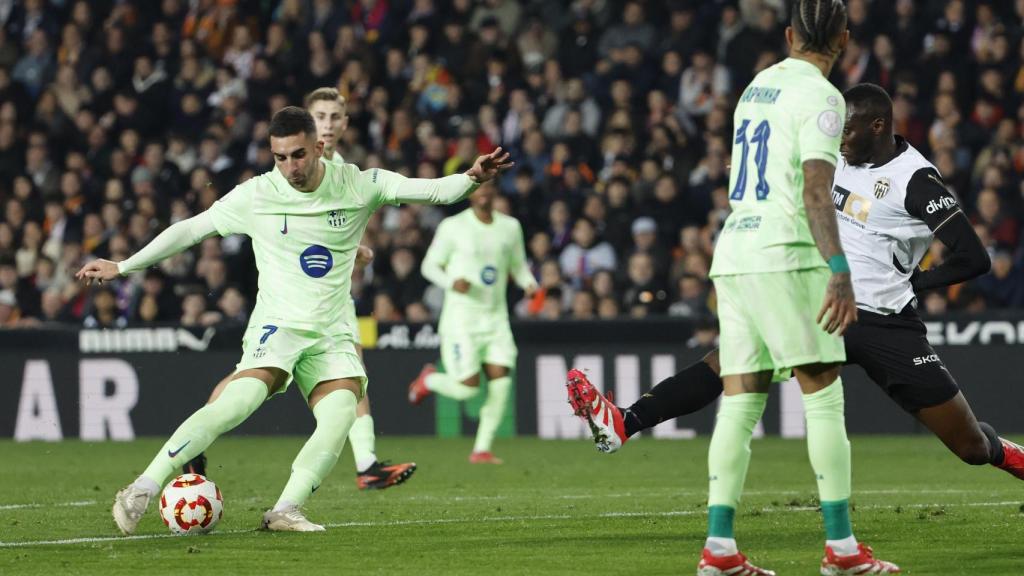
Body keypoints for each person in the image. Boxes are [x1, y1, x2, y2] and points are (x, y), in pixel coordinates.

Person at [569, 4, 899, 574]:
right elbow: (816, 193)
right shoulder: (824, 98)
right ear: (843, 40)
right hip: (785, 254)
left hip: (735, 251)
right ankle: (842, 549)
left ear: (790, 35)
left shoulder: (755, 88)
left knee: (741, 402)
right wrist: (839, 269)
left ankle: (719, 548)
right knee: (823, 397)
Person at [78, 106, 512, 534]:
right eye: (280, 157)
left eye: (298, 155)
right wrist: (126, 265)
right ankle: (141, 488)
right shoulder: (258, 195)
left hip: (331, 332)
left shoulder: (360, 184)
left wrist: (471, 177)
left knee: (341, 412)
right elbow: (192, 229)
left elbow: (435, 190)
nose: (289, 167)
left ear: (319, 147)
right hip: (279, 326)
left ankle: (285, 509)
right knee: (236, 403)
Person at [568, 84, 1024, 480]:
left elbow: (974, 257)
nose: (840, 140)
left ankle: (1008, 455)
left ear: (879, 126)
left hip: (886, 323)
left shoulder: (916, 181)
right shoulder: (840, 159)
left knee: (970, 447)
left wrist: (916, 282)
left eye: (848, 130)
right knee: (731, 360)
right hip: (823, 305)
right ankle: (626, 421)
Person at [182, 87, 417, 491]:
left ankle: (367, 463)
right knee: (253, 375)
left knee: (351, 369)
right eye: (320, 115)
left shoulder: (342, 169)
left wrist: (353, 250)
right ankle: (196, 439)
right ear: (309, 122)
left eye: (334, 116)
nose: (327, 123)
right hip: (290, 293)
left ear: (344, 124)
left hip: (331, 293)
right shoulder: (293, 169)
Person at [407, 183, 537, 464]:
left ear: (496, 193)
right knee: (468, 388)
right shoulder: (453, 227)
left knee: (502, 384)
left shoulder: (510, 227)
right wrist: (451, 282)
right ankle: (428, 379)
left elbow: (518, 265)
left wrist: (529, 283)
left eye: (491, 188)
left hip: (495, 319)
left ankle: (482, 449)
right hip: (461, 321)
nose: (485, 193)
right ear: (470, 192)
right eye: (479, 188)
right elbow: (429, 266)